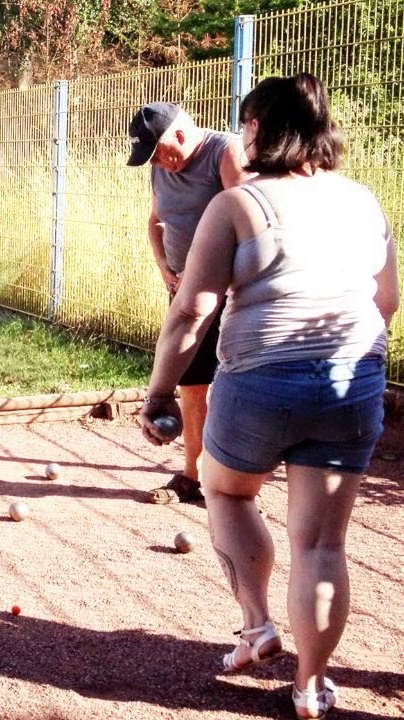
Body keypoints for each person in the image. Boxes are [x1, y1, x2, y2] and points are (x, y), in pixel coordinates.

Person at [139, 73, 397, 719]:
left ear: (258, 129)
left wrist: (159, 393)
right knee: (322, 546)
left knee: (226, 490)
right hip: (352, 381)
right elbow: (386, 301)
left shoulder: (239, 205)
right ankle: (311, 686)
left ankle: (256, 624)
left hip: (259, 381)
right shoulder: (365, 202)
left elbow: (191, 312)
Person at [127, 101, 251, 504]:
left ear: (179, 136)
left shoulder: (226, 152)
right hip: (182, 294)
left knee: (233, 388)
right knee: (192, 387)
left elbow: (252, 224)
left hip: (229, 293)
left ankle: (237, 482)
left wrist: (228, 279)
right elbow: (155, 222)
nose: (158, 164)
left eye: (159, 153)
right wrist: (165, 267)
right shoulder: (160, 168)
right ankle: (191, 477)